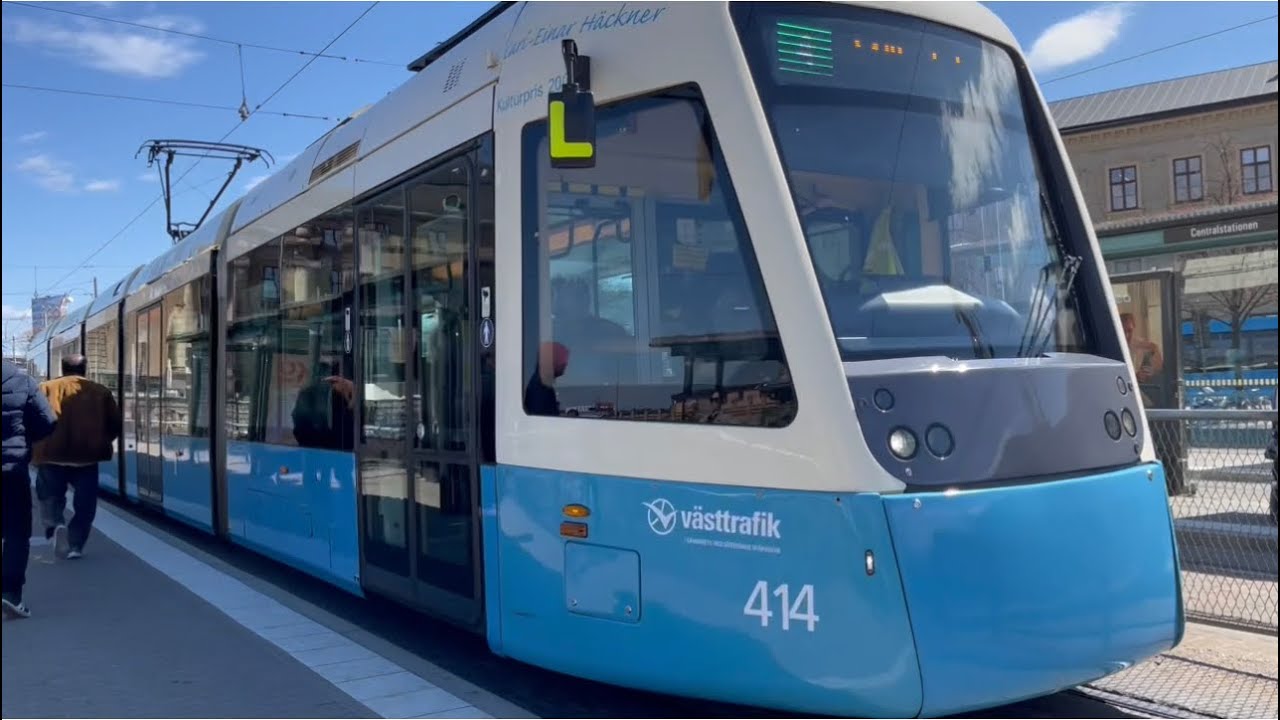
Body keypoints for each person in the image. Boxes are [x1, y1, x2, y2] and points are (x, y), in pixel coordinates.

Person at [31, 354, 120, 560]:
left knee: (49, 497)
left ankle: (55, 526)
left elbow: (32, 418)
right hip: (87, 457)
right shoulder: (101, 392)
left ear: (62, 369)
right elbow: (114, 425)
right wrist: (100, 441)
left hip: (50, 454)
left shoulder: (45, 388)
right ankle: (76, 545)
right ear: (85, 369)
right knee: (85, 504)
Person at [2, 359, 58, 619]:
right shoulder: (23, 382)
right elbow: (47, 422)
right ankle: (11, 594)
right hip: (12, 469)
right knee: (16, 531)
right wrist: (24, 439)